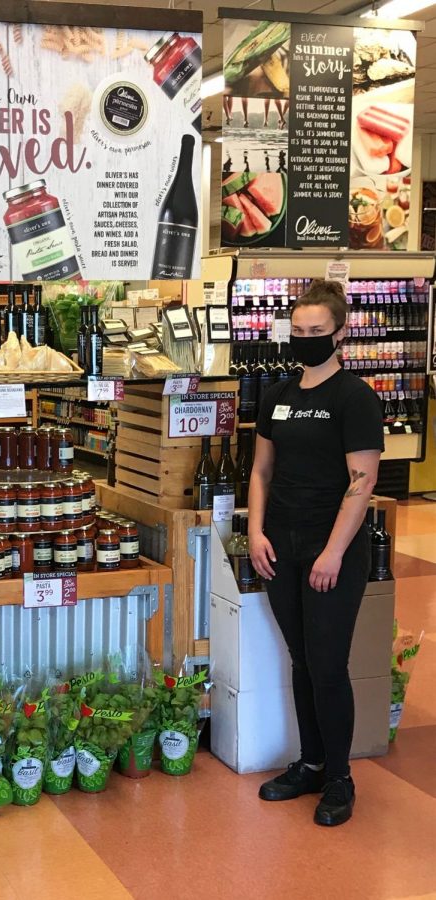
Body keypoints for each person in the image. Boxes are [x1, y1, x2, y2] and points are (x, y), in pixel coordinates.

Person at [248, 280, 384, 827]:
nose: (305, 340)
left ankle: (339, 779)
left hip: (334, 551)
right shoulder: (277, 396)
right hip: (281, 545)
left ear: (340, 334)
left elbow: (363, 480)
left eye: (317, 333)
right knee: (301, 660)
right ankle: (309, 763)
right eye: (298, 332)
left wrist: (332, 553)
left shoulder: (356, 398)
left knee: (328, 665)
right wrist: (256, 533)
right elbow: (261, 471)